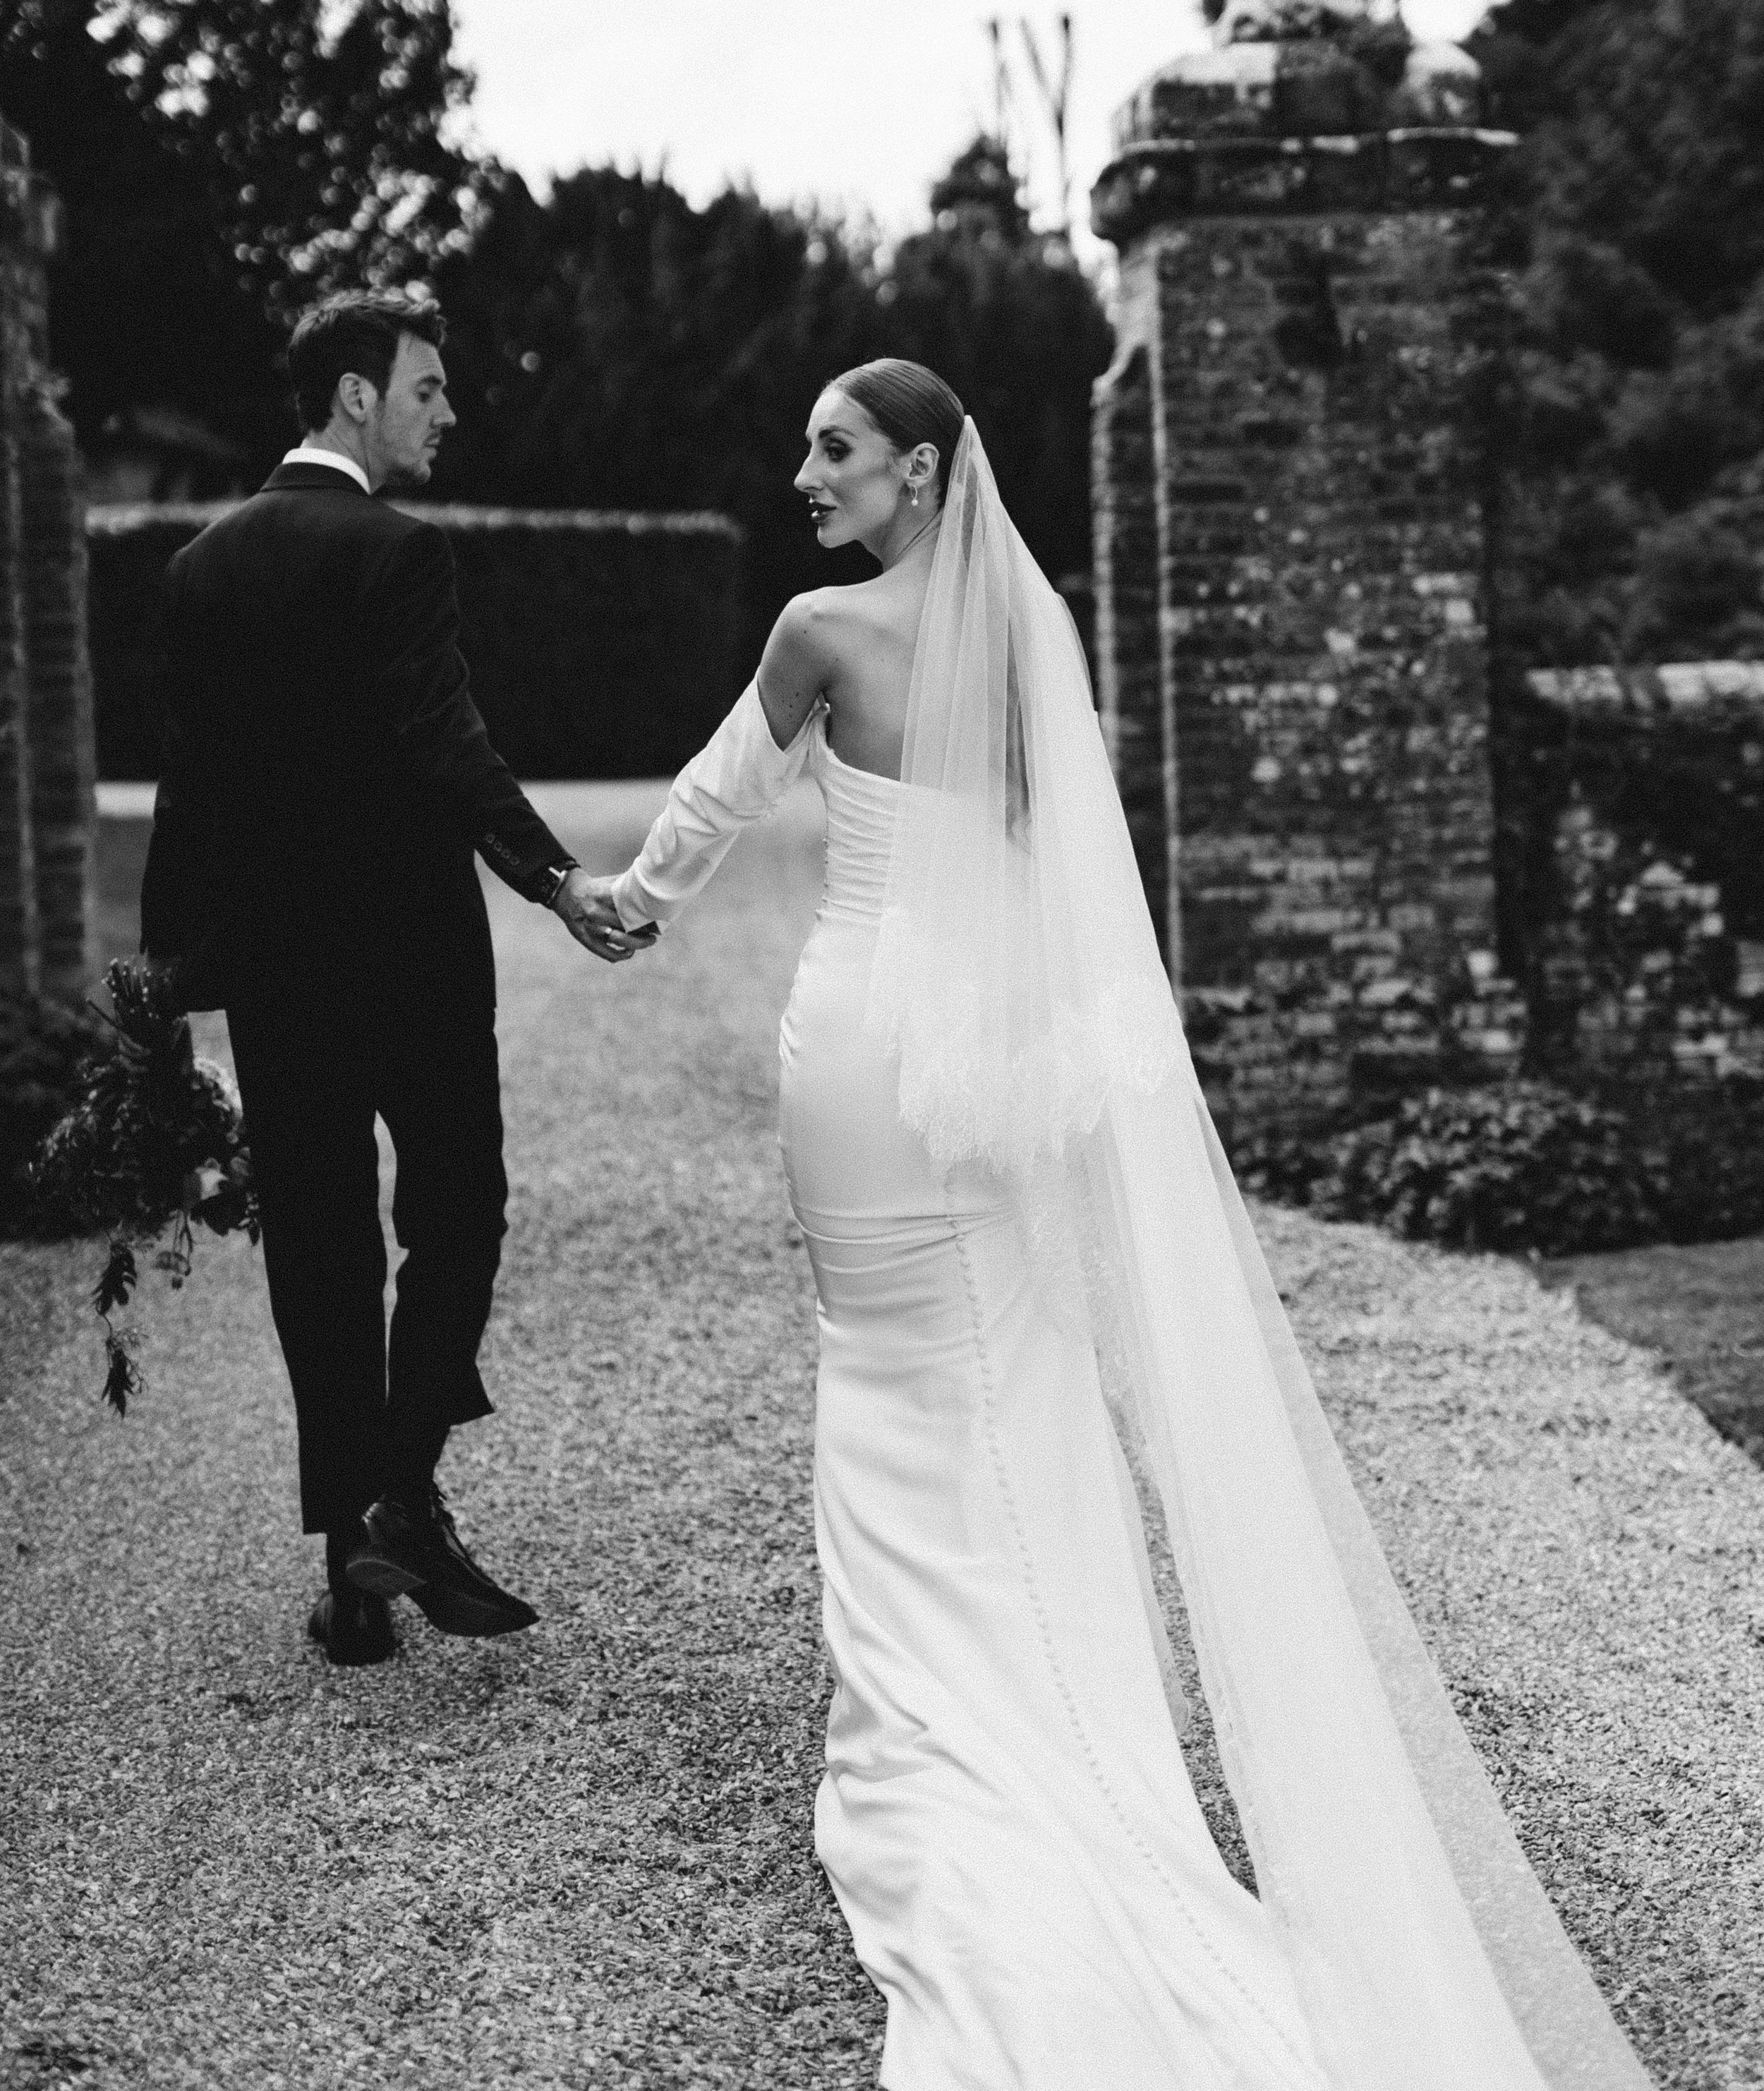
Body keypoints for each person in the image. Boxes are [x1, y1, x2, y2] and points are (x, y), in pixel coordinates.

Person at [584, 359, 1653, 2091]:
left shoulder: (817, 632)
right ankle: (1056, 1709)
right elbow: (1056, 855)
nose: (804, 476)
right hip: (991, 1056)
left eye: (835, 450)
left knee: (884, 1364)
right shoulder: (1034, 630)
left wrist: (615, 905)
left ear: (921, 473)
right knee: (1014, 1370)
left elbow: (712, 804)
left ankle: (940, 1725)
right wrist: (1040, 1050)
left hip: (866, 1048)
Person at [141, 289, 651, 1668]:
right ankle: (399, 1493)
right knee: (458, 1217)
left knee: (320, 1254)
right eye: (427, 388)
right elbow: (446, 745)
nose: (447, 412)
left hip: (278, 979)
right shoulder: (400, 554)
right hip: (415, 968)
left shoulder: (198, 567)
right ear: (357, 397)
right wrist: (555, 881)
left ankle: (353, 1580)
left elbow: (189, 792)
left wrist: (161, 982)